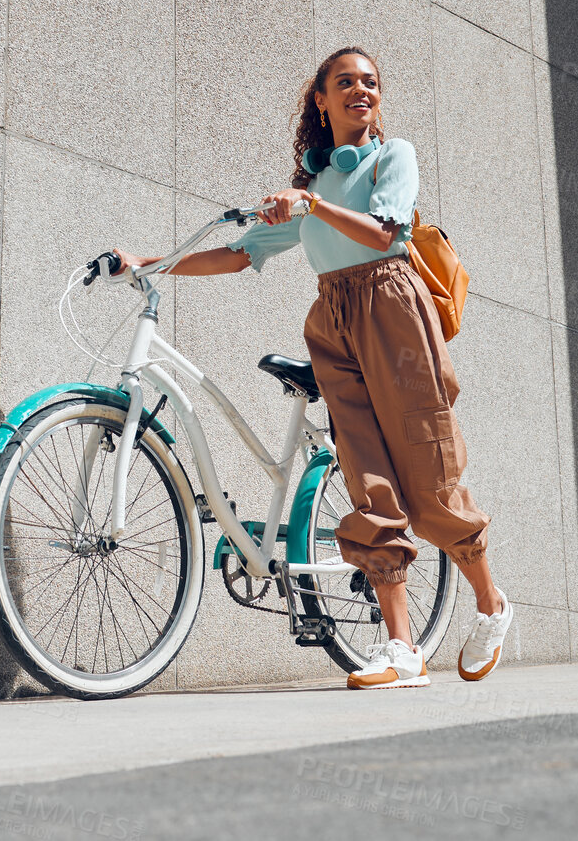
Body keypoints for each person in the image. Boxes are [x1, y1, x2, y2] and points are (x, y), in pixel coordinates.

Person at [112, 46, 512, 690]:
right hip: (334, 319)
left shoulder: (392, 156)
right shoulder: (314, 185)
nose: (362, 90)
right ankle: (402, 648)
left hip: (394, 309)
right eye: (345, 82)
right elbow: (239, 256)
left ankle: (491, 606)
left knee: (428, 479)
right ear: (320, 100)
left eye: (371, 83)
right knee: (369, 482)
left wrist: (310, 207)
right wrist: (150, 266)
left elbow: (388, 234)